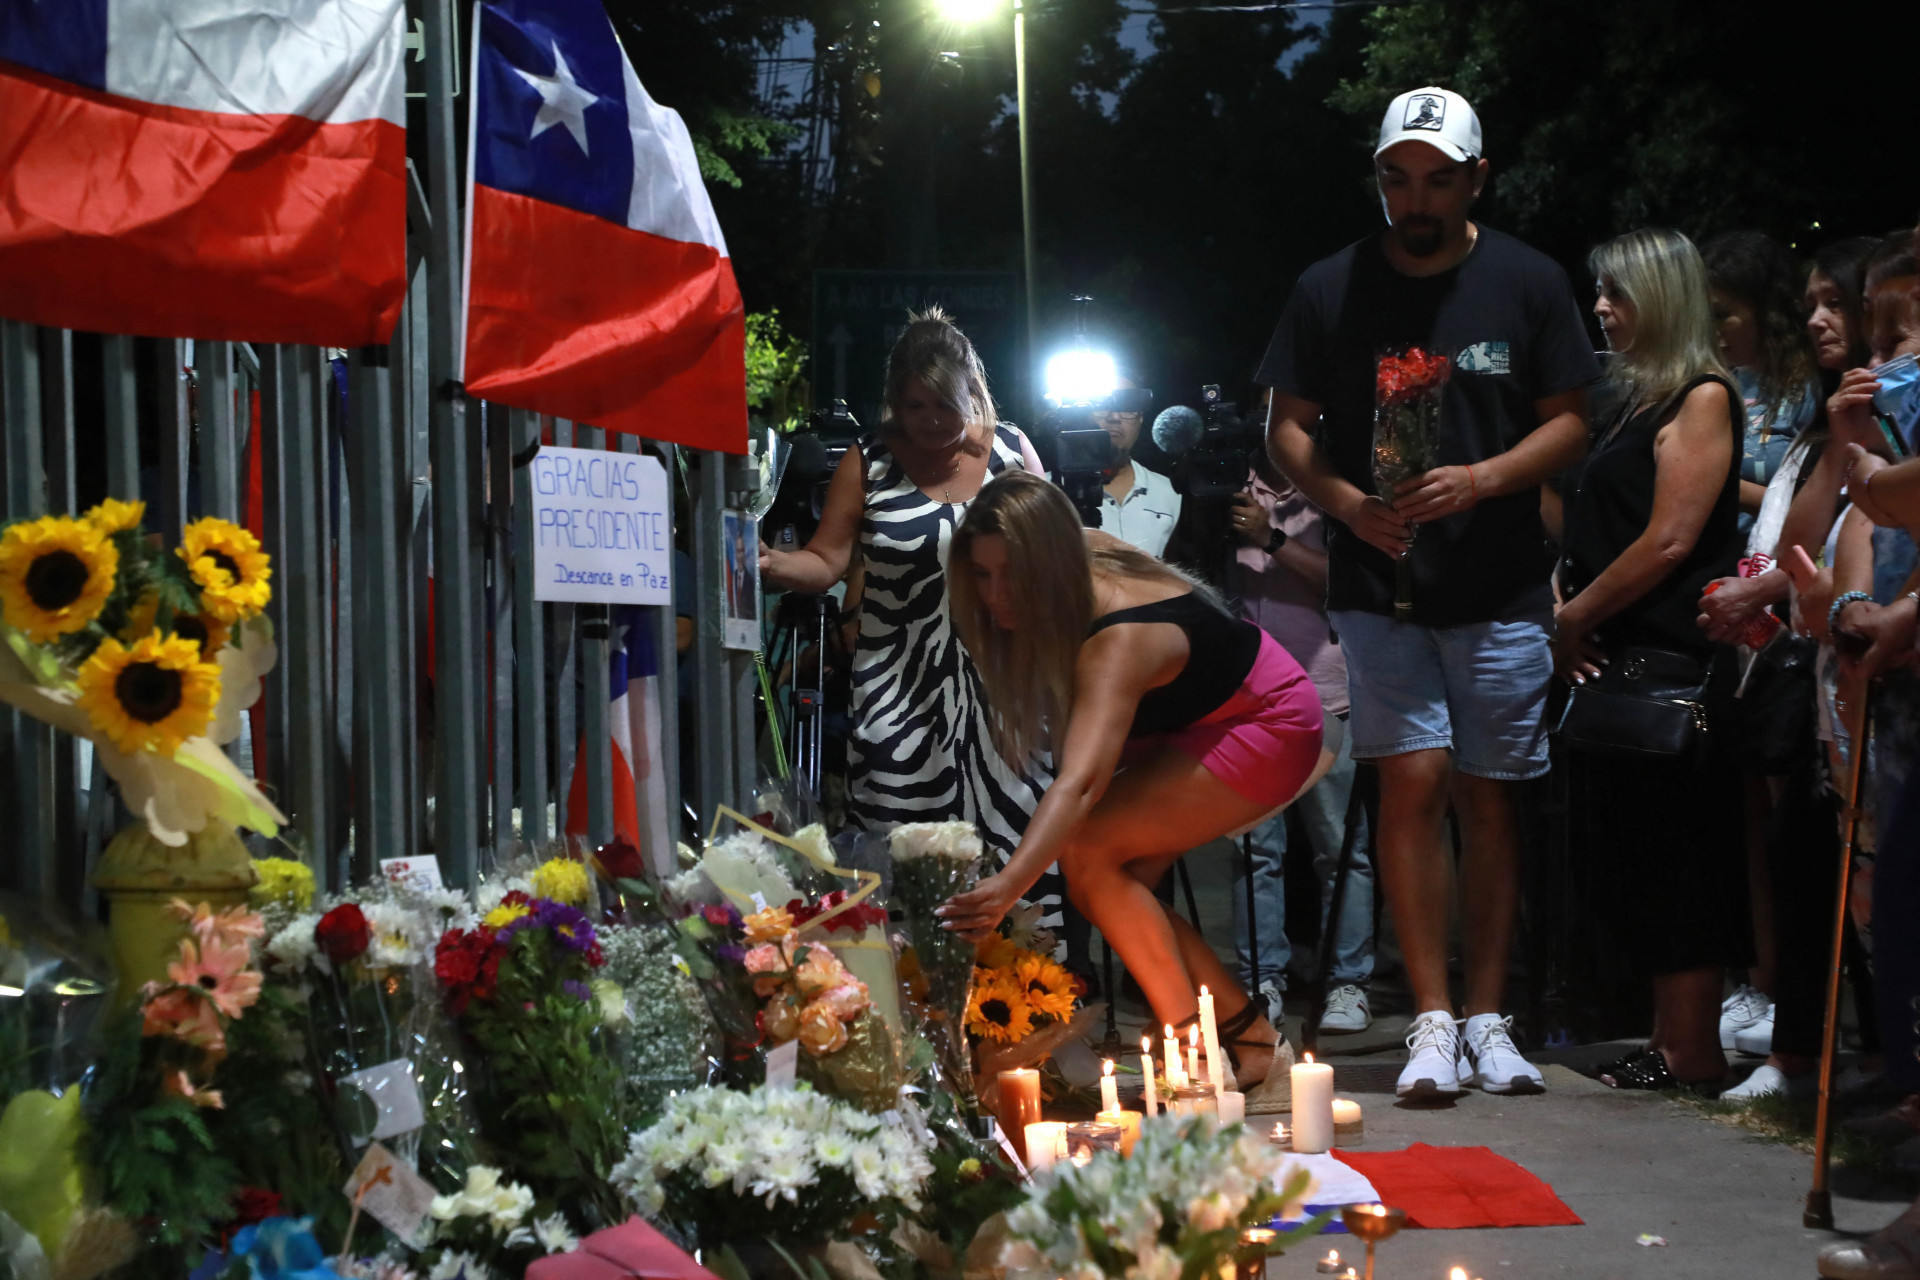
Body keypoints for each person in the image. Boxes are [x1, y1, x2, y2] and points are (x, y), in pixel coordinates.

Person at [1260, 85, 1600, 1097]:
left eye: (1437, 180)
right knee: (1410, 785)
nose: (1414, 199)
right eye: (1396, 179)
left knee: (1490, 797)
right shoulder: (1330, 286)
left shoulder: (1528, 280)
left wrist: (1485, 477)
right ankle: (1431, 1019)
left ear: (1476, 179)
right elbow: (1285, 429)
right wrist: (1344, 501)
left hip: (1499, 584)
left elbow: (1572, 420)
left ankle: (1490, 1014)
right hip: (1380, 582)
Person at [935, 471, 1325, 1091]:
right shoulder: (1074, 547)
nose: (996, 595)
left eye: (1012, 573)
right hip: (1195, 720)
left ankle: (1197, 1069)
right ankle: (1251, 1048)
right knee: (1110, 884)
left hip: (1267, 719)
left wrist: (1009, 886)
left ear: (1051, 562)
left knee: (1087, 853)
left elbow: (1081, 783)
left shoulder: (1119, 641)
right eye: (981, 575)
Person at [758, 308, 1053, 875]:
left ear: (973, 391)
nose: (930, 420)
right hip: (897, 696)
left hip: (1007, 689)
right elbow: (827, 560)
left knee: (1009, 849)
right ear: (895, 398)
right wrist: (772, 564)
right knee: (899, 857)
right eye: (914, 406)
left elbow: (1056, 557)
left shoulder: (1014, 452)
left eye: (945, 404)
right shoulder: (867, 460)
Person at [1558, 228, 1750, 1090]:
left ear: (1664, 298)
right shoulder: (1638, 402)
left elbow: (1670, 540)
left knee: (1680, 853)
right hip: (1629, 656)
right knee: (1645, 851)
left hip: (1673, 660)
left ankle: (1690, 1048)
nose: (1601, 307)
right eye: (1599, 290)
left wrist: (1572, 618)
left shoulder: (1701, 398)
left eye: (1618, 292)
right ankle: (1669, 1038)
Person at [1695, 230, 1824, 1062]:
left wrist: (1711, 480)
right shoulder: (1723, 387)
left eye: (1728, 314)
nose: (1719, 329)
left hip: (1785, 616)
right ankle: (1756, 980)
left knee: (1789, 816)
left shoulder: (1808, 394)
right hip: (1726, 616)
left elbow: (1806, 488)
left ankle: (1793, 1000)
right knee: (1741, 811)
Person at [1228, 397, 1376, 1034]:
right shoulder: (1227, 486)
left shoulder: (1336, 486)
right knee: (1253, 848)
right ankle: (1259, 979)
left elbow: (1350, 579)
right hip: (1245, 697)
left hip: (1326, 689)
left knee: (1339, 847)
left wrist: (1271, 538)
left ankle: (1348, 982)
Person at [1093, 371, 1182, 558]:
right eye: (1102, 403)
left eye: (1127, 406)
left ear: (1140, 418)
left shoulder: (1170, 493)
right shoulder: (1049, 491)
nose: (1114, 416)